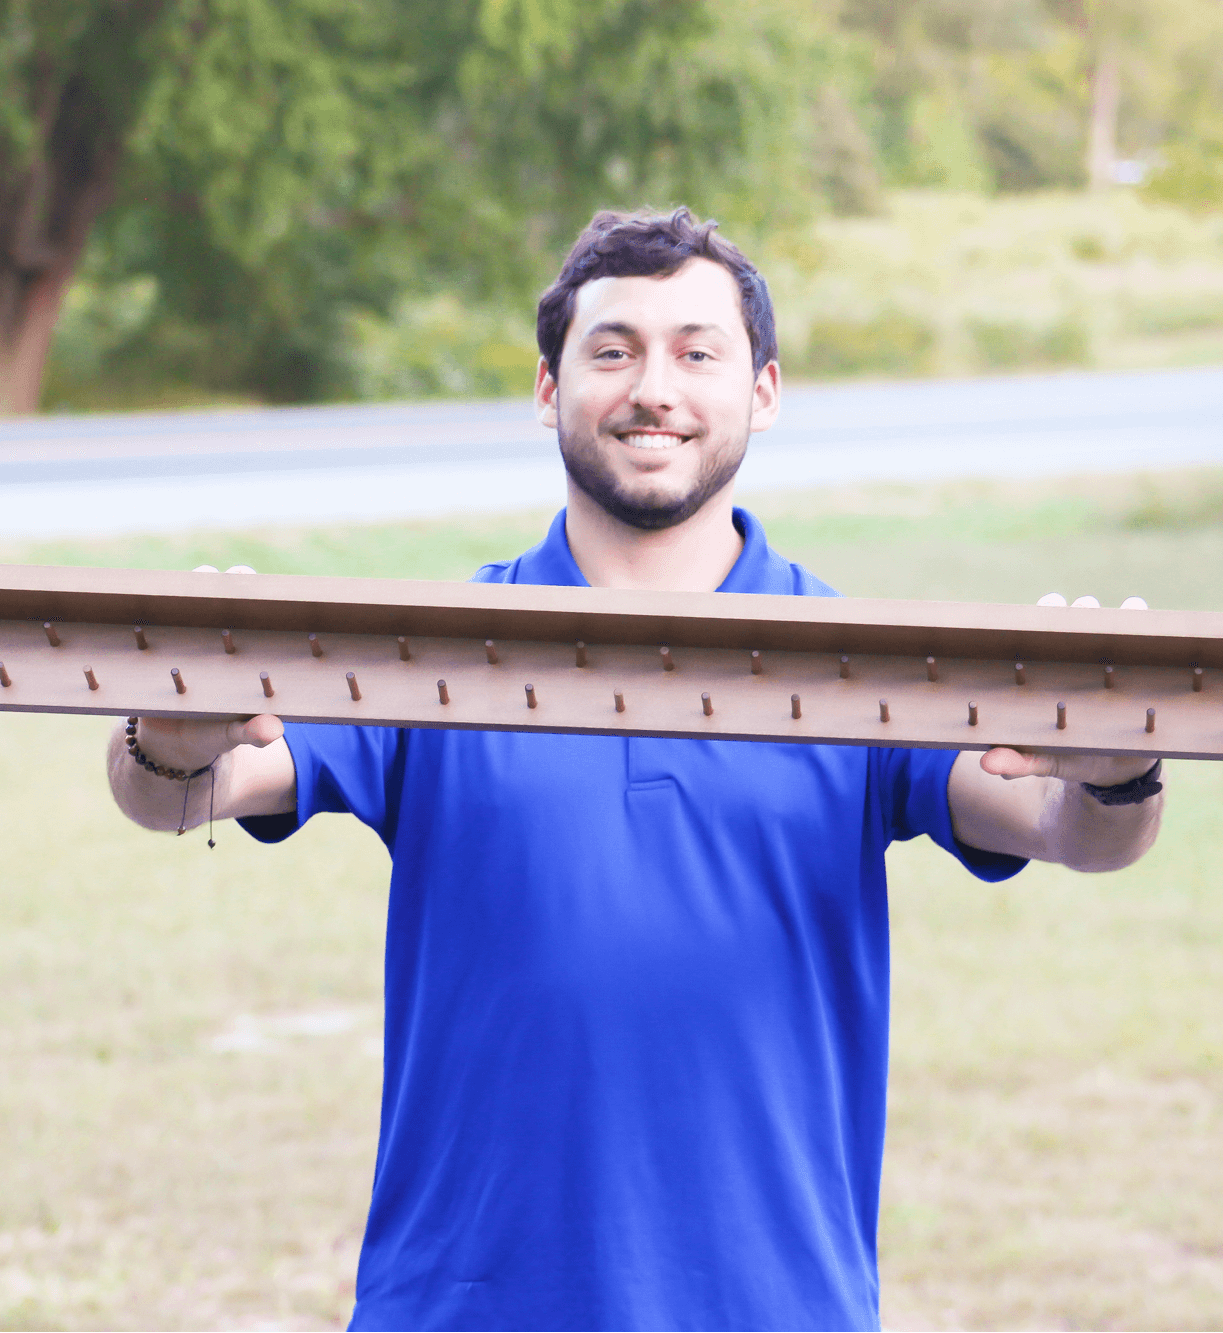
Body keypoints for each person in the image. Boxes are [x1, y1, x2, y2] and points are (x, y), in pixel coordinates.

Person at [109, 207, 1165, 1331]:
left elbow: (1071, 828)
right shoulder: (437, 644)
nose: (651, 387)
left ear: (761, 390)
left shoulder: (853, 663)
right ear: (546, 390)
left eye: (695, 351)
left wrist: (1114, 766)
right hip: (460, 1307)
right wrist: (174, 735)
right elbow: (188, 791)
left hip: (774, 1305)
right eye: (610, 350)